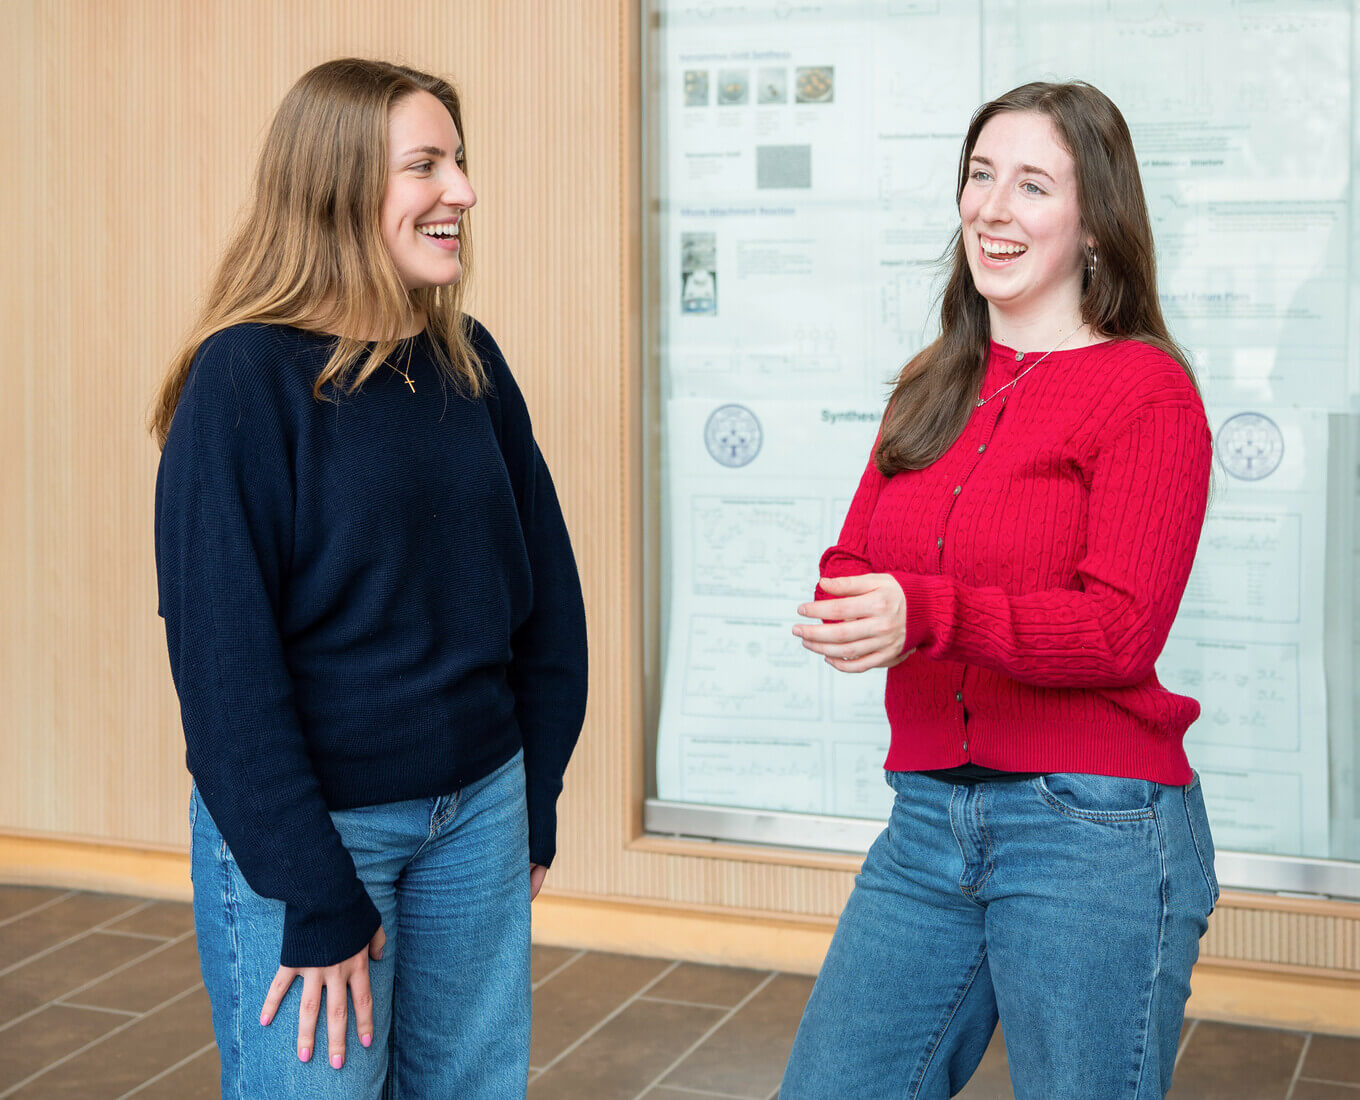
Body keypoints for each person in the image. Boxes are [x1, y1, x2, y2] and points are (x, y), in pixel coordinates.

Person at [151, 58, 588, 1098]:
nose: (463, 193)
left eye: (461, 162)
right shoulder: (242, 380)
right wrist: (313, 890)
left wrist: (534, 790)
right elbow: (225, 673)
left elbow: (546, 602)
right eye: (426, 166)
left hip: (476, 813)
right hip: (314, 836)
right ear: (338, 187)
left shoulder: (467, 358)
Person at [781, 81, 1217, 1099]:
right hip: (928, 818)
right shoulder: (935, 378)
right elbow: (853, 557)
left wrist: (924, 612)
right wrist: (859, 604)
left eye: (1031, 185)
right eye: (981, 176)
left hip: (1094, 829)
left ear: (1095, 226)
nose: (992, 207)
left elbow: (1118, 630)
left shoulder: (1146, 392)